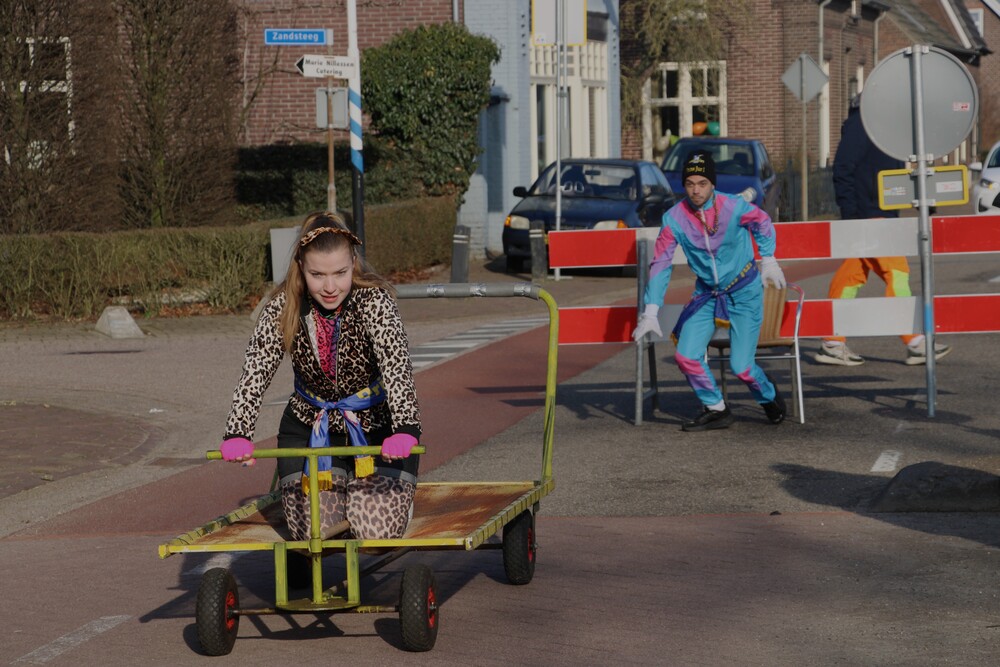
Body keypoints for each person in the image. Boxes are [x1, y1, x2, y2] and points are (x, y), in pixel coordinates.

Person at [219, 211, 422, 541]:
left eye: (340, 273)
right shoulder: (283, 306)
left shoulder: (374, 301)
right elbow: (255, 369)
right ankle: (331, 497)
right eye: (317, 274)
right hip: (310, 428)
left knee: (375, 533)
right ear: (301, 266)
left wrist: (406, 428)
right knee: (314, 533)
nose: (330, 287)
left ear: (353, 263)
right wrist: (238, 432)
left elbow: (396, 365)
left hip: (376, 430)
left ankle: (391, 504)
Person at [632, 151, 787, 432]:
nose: (696, 190)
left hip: (744, 291)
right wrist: (651, 309)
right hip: (706, 294)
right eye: (690, 183)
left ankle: (767, 394)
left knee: (742, 367)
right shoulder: (673, 218)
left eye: (702, 183)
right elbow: (661, 263)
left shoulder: (734, 206)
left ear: (712, 183)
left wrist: (768, 258)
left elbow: (762, 221)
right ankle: (716, 408)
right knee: (686, 356)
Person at [815, 96, 952, 367]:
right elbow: (843, 167)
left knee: (851, 276)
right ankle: (915, 342)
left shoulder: (885, 130)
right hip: (870, 216)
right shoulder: (862, 124)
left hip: (877, 215)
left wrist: (922, 199)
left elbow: (897, 176)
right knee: (897, 272)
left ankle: (832, 342)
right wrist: (852, 217)